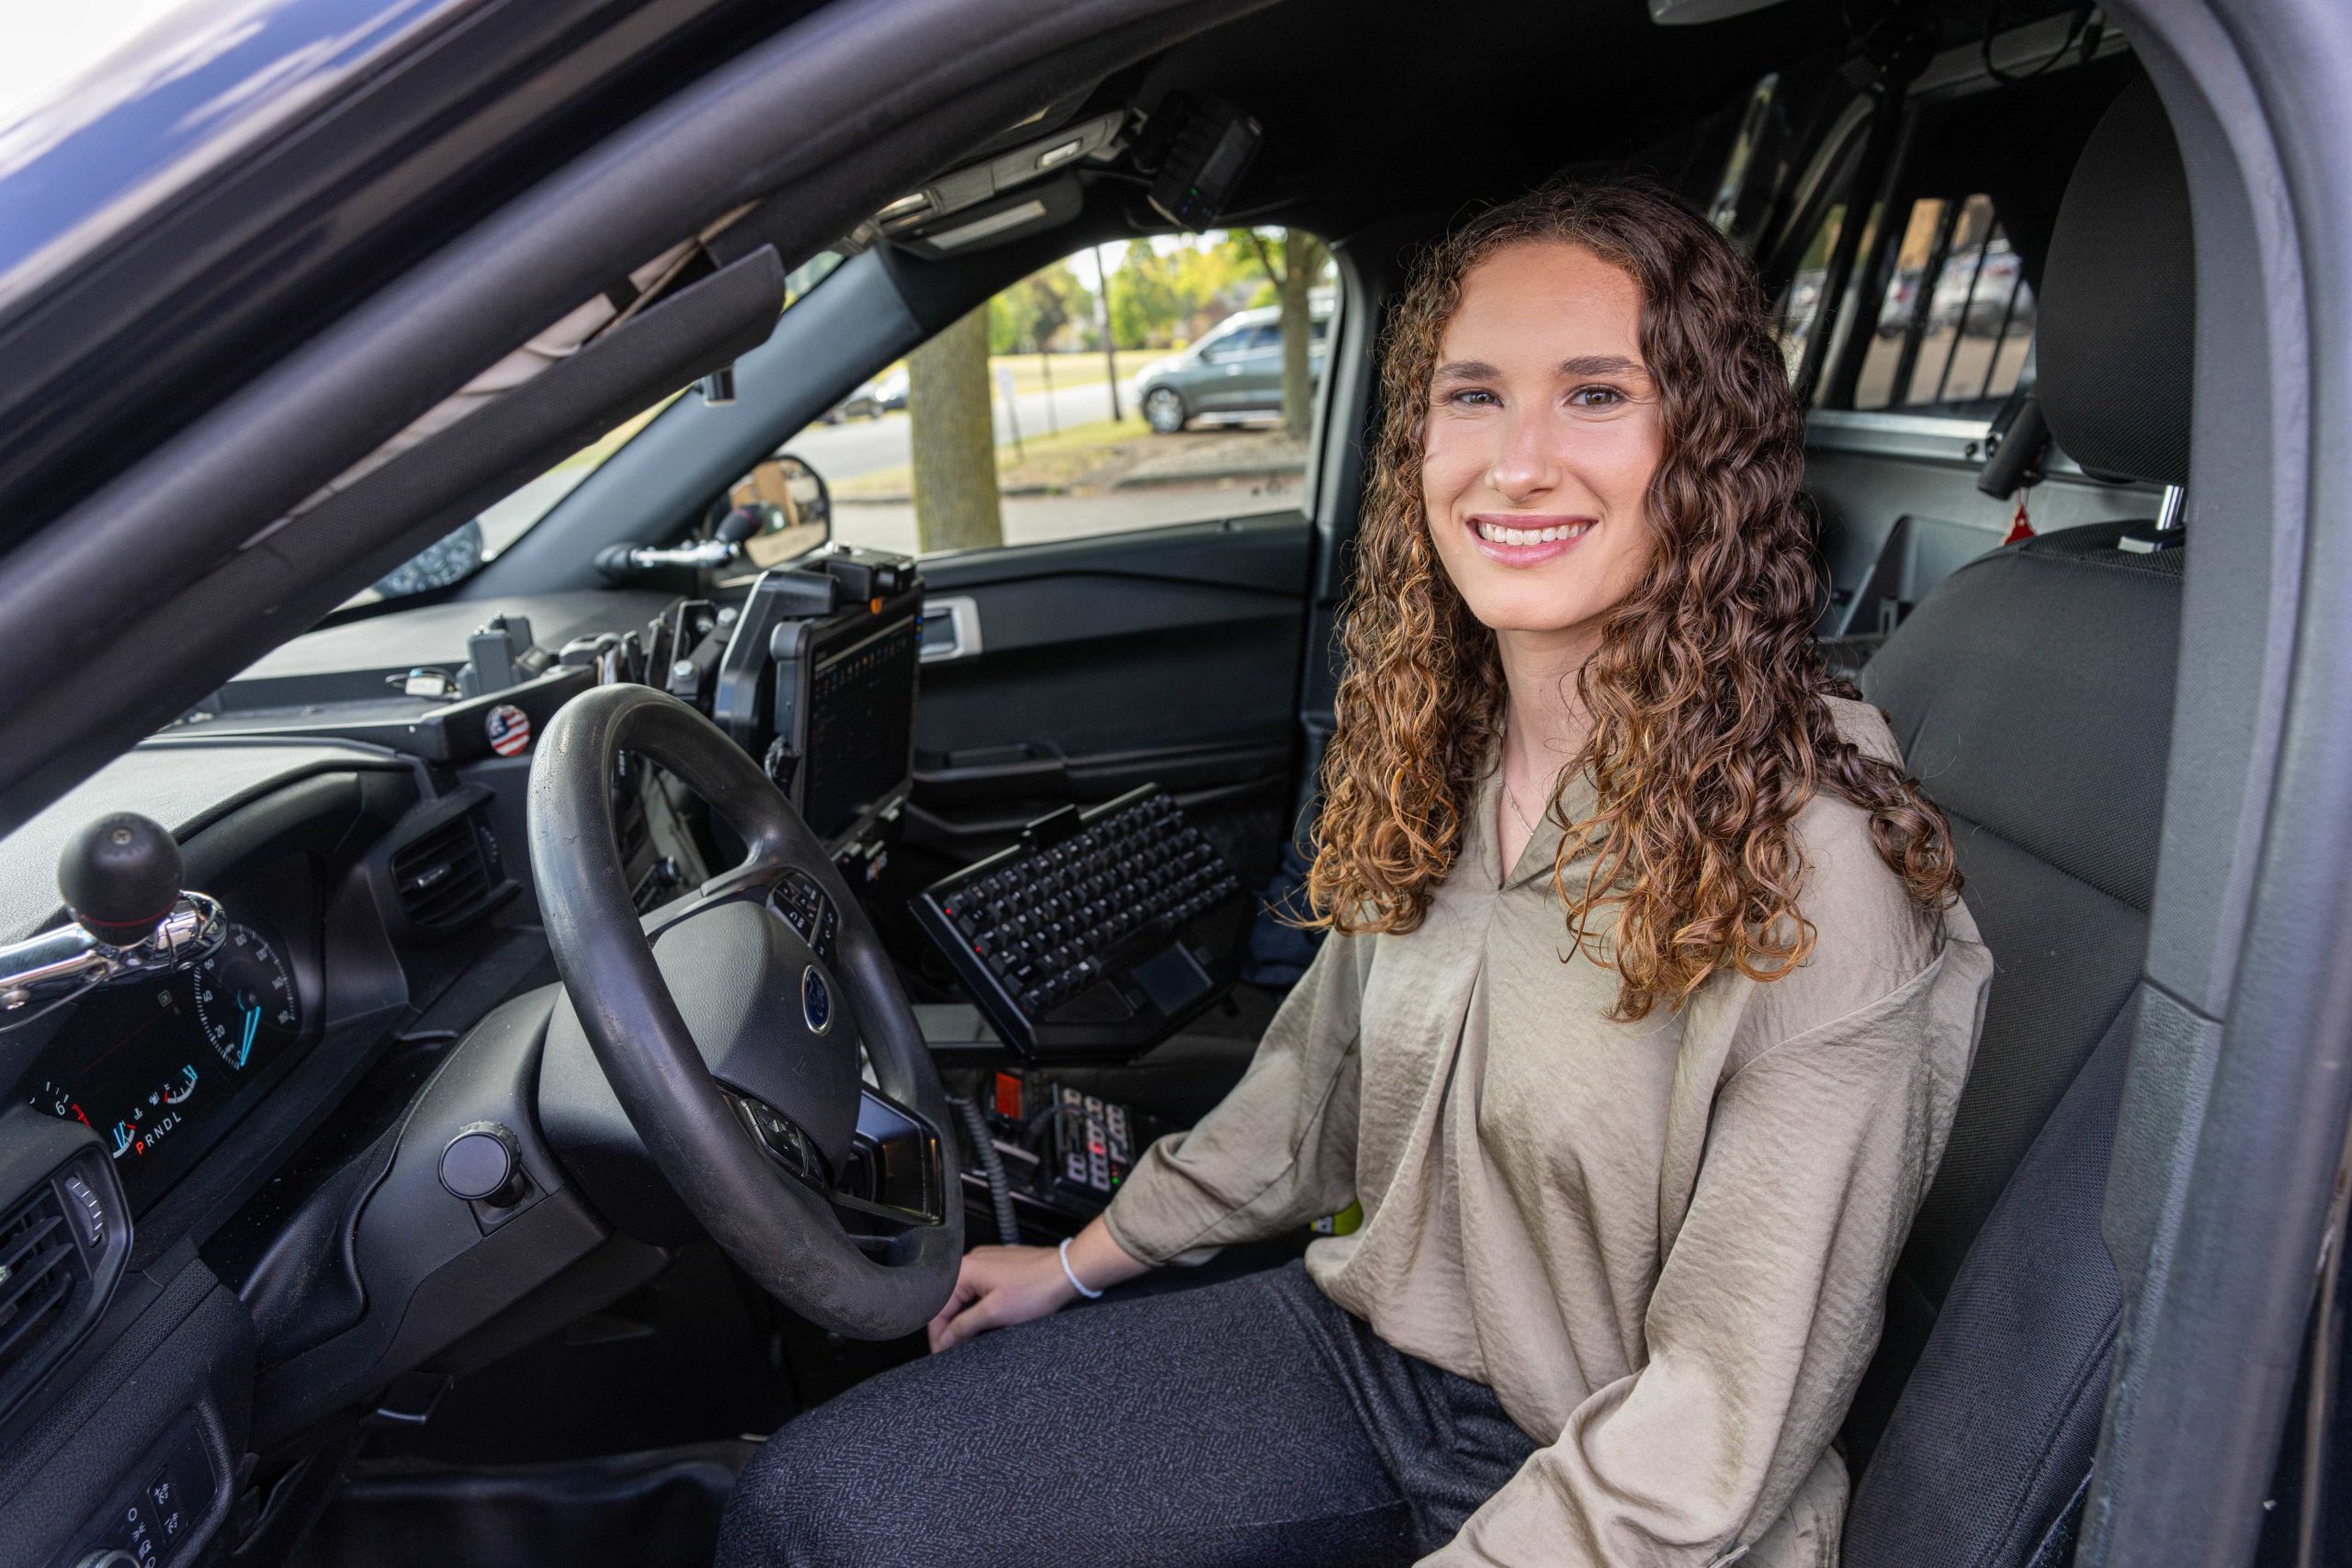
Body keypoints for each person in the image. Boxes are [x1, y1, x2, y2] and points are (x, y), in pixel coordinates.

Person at [718, 180, 1993, 1568]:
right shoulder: (1458, 751)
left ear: (1708, 446)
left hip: (1615, 1490)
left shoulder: (1816, 874)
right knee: (819, 1510)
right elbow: (1314, 1080)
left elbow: (1722, 1429)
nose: (1515, 463)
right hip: (1367, 1352)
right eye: (1473, 395)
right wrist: (1085, 1261)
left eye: (1594, 394)